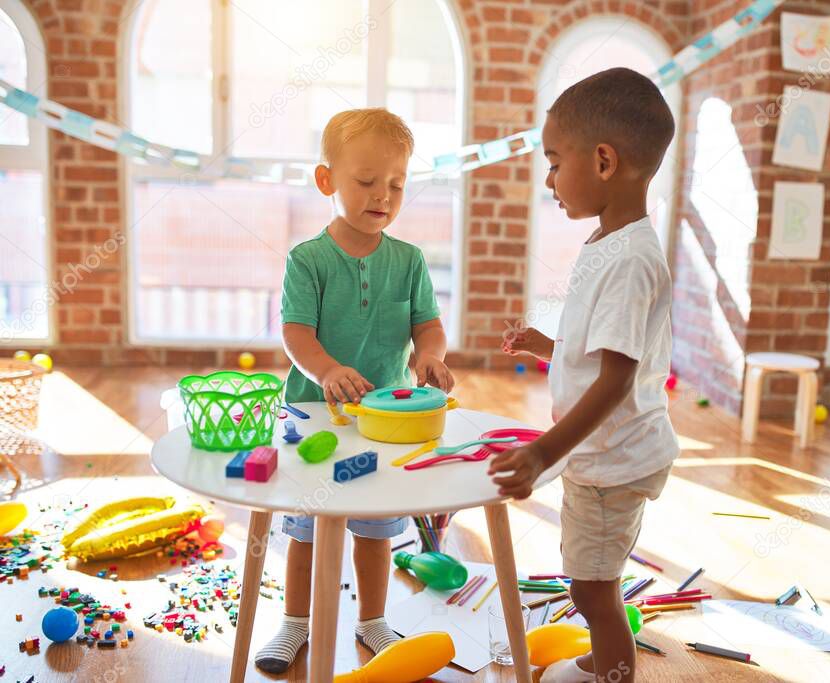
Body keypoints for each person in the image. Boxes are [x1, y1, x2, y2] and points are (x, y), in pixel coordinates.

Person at [493, 68, 678, 683]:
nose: (549, 179)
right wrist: (552, 346)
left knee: (594, 590)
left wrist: (541, 454)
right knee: (591, 579)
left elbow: (616, 381)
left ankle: (611, 673)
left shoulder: (630, 260)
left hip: (611, 459)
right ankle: (603, 661)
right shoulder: (609, 241)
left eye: (553, 162)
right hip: (605, 454)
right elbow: (604, 352)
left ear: (603, 161)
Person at [255, 108, 455, 673]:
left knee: (374, 525)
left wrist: (431, 356)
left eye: (395, 184)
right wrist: (327, 371)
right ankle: (295, 623)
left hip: (383, 419)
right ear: (327, 182)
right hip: (315, 414)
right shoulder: (308, 259)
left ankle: (373, 621)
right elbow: (296, 333)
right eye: (366, 182)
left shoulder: (410, 260)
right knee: (308, 529)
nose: (383, 196)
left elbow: (427, 326)